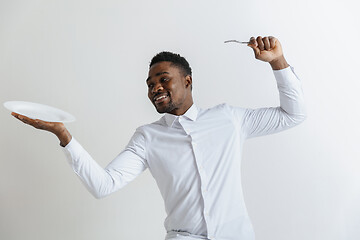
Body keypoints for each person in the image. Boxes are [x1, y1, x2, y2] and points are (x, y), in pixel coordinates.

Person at [12, 36, 306, 240]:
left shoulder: (229, 119)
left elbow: (294, 114)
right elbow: (104, 185)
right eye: (150, 84)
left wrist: (277, 61)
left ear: (187, 81)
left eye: (163, 79)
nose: (155, 88)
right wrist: (63, 135)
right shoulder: (147, 137)